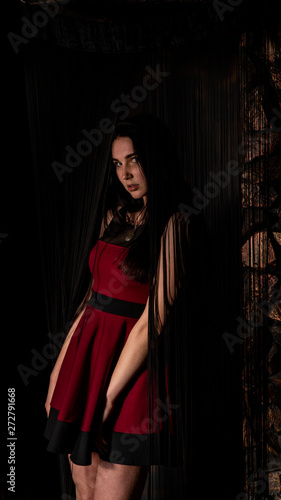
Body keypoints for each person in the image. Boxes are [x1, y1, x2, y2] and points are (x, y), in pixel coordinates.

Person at [44, 114, 191, 500]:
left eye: (134, 160)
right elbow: (89, 302)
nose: (125, 173)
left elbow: (153, 319)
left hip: (131, 379)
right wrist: (60, 372)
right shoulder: (115, 217)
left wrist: (107, 398)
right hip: (88, 367)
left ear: (154, 159)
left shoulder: (174, 224)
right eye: (117, 163)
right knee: (83, 489)